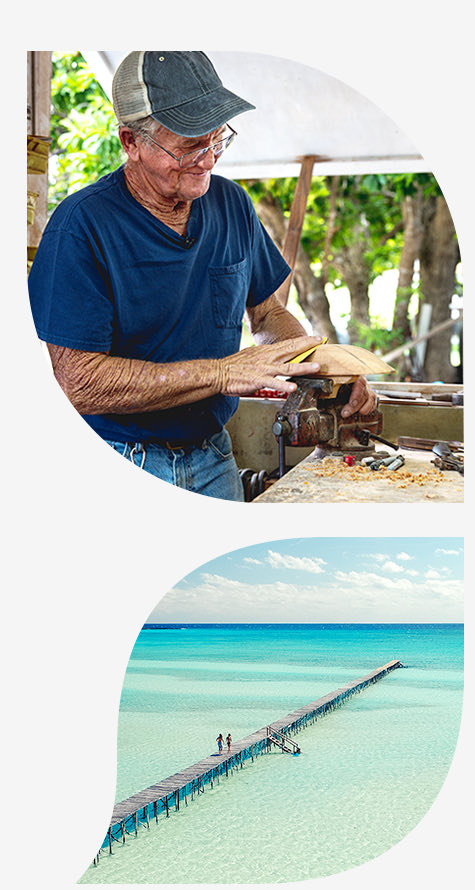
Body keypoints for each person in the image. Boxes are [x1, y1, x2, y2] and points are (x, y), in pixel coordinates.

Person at [28, 51, 377, 501]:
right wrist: (220, 373)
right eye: (190, 146)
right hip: (119, 456)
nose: (208, 160)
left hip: (215, 456)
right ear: (131, 142)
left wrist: (328, 371)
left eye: (217, 140)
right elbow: (80, 383)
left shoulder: (231, 204)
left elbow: (268, 313)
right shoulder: (81, 225)